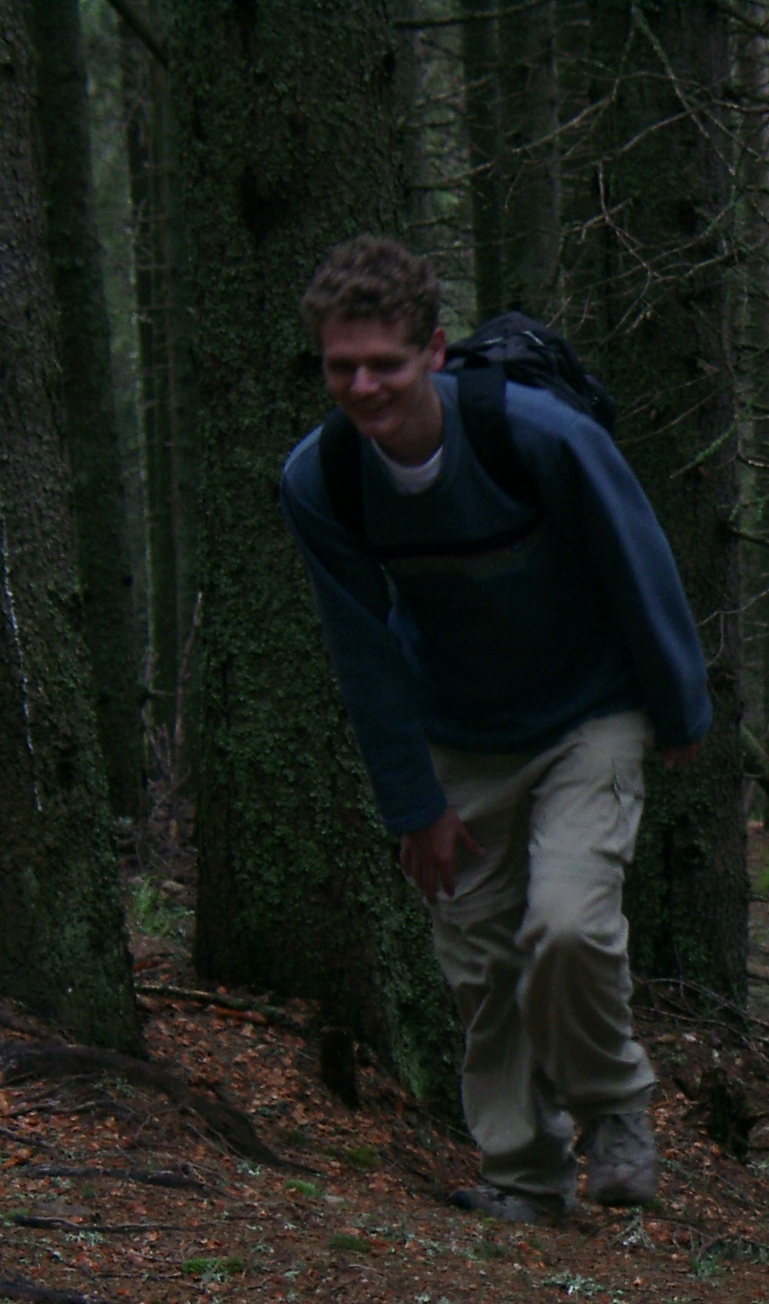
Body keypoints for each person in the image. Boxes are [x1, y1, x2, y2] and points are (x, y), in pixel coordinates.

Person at [278, 235, 710, 1226]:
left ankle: (613, 1111)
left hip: (588, 712)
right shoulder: (322, 478)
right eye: (341, 367)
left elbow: (636, 557)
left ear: (432, 351)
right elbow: (361, 653)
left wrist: (678, 704)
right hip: (459, 735)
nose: (362, 387)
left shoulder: (538, 435)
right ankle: (524, 1178)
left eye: (383, 364)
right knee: (481, 967)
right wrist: (413, 805)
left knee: (567, 925)